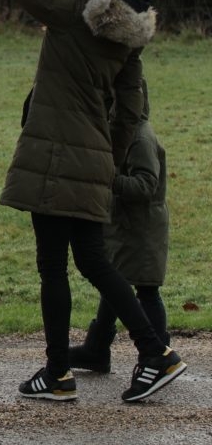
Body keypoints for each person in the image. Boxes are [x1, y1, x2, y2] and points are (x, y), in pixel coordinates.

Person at [0, 0, 185, 403]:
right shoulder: (128, 35)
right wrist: (108, 158)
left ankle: (60, 373)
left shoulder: (70, 10)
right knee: (94, 261)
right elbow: (130, 111)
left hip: (54, 156)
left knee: (54, 267)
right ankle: (155, 351)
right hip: (94, 159)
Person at [69, 77, 170, 372]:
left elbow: (146, 185)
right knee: (114, 284)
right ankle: (96, 349)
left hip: (143, 230)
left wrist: (110, 180)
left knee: (147, 290)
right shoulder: (125, 134)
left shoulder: (141, 137)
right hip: (126, 226)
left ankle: (158, 354)